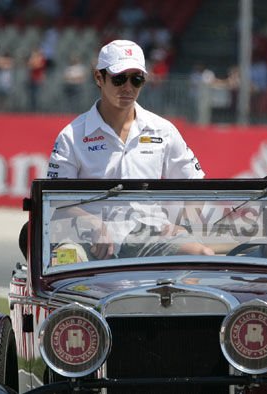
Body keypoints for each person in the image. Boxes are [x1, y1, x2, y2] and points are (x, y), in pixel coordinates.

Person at [46, 39, 211, 257]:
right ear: (99, 77)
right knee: (64, 259)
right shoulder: (71, 135)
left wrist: (185, 226)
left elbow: (194, 182)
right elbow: (55, 199)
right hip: (88, 240)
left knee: (202, 254)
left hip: (148, 235)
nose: (128, 87)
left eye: (136, 79)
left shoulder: (163, 130)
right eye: (119, 78)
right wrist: (93, 223)